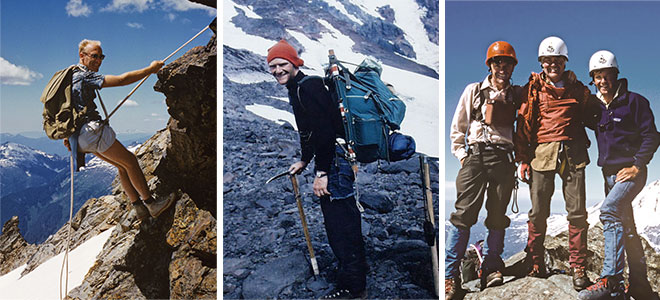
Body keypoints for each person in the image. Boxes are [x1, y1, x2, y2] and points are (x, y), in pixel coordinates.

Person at [266, 39, 367, 299]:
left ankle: (353, 287)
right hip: (333, 159)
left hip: (334, 162)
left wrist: (321, 173)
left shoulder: (308, 87)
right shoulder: (297, 87)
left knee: (340, 224)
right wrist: (304, 160)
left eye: (282, 64)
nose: (277, 70)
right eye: (273, 66)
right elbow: (308, 131)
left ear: (294, 62)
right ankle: (357, 271)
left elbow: (323, 132)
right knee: (343, 219)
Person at [577, 50, 660, 300]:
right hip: (608, 175)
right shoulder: (594, 108)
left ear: (616, 75)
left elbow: (652, 136)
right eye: (597, 77)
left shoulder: (635, 102)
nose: (602, 81)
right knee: (628, 228)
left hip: (631, 173)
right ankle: (639, 285)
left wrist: (637, 165)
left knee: (609, 212)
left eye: (607, 75)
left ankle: (611, 281)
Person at [64, 39, 173, 221]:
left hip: (79, 137)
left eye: (101, 56)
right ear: (82, 56)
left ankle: (138, 208)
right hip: (91, 131)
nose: (99, 60)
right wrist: (150, 69)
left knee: (122, 166)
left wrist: (67, 135)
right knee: (130, 161)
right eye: (94, 56)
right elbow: (122, 80)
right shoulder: (85, 76)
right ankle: (151, 204)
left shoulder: (70, 76)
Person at [515, 36, 591, 290]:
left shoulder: (577, 89)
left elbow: (592, 113)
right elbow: (524, 125)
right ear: (542, 63)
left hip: (572, 153)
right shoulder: (533, 89)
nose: (552, 65)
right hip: (541, 153)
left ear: (564, 62)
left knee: (577, 212)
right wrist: (523, 159)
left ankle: (578, 267)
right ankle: (536, 262)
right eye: (547, 61)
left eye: (556, 60)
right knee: (538, 212)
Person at [446, 41, 520, 299]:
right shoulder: (474, 90)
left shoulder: (517, 95)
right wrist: (463, 156)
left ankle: (492, 266)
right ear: (490, 65)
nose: (502, 67)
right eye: (498, 62)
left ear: (512, 67)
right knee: (463, 215)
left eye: (507, 62)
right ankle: (450, 276)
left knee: (498, 215)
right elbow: (458, 127)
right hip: (476, 156)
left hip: (503, 158)